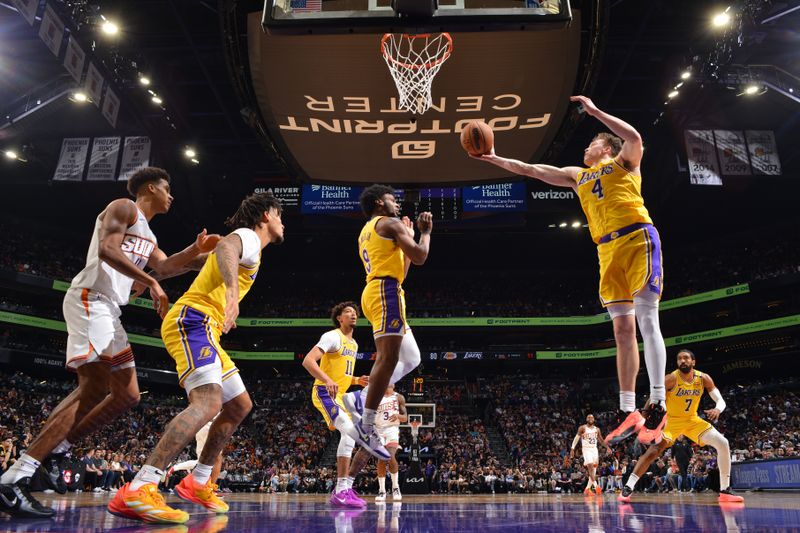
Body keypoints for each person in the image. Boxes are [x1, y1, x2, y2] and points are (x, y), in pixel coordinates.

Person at [0, 167, 220, 518]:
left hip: (109, 312)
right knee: (93, 387)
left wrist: (202, 254)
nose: (172, 196)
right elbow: (107, 249)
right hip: (90, 299)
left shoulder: (147, 233)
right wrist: (151, 283)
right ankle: (16, 476)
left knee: (127, 394)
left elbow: (165, 266)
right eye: (168, 189)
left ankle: (60, 448)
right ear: (151, 188)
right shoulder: (124, 207)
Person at [472, 95, 667, 446]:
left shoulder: (625, 161)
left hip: (638, 238)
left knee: (646, 319)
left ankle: (658, 401)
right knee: (622, 330)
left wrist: (595, 111)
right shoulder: (578, 176)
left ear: (606, 147)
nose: (586, 147)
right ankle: (629, 410)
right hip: (606, 250)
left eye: (592, 142)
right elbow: (532, 170)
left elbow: (636, 137)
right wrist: (494, 157)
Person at [107, 192, 284, 524]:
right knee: (207, 403)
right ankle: (140, 487)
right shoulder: (247, 238)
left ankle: (198, 480)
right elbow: (229, 248)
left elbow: (199, 262)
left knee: (239, 405)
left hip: (209, 328)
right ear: (264, 217)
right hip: (194, 320)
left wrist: (151, 279)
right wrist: (232, 292)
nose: (282, 221)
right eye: (279, 214)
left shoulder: (249, 248)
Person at [353, 184, 431, 451]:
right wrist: (424, 233)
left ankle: (366, 397)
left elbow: (406, 266)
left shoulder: (367, 230)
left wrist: (407, 237)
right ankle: (366, 421)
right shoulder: (390, 223)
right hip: (385, 292)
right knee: (388, 358)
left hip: (382, 290)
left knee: (412, 357)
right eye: (392, 199)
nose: (397, 204)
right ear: (378, 202)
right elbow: (420, 256)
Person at [618, 349, 744, 503]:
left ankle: (725, 491)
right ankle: (629, 487)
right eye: (679, 359)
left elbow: (720, 400)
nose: (682, 361)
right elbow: (653, 397)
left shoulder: (703, 378)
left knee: (723, 443)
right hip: (672, 421)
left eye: (686, 358)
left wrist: (717, 409)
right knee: (654, 451)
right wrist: (643, 418)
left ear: (693, 362)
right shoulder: (671, 378)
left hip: (692, 420)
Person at [301, 301, 378, 509]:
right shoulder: (332, 336)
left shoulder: (353, 344)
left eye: (355, 313)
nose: (353, 315)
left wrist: (355, 380)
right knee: (352, 433)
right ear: (339, 318)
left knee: (352, 436)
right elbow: (308, 361)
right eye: (348, 312)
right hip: (324, 393)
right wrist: (327, 380)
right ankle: (342, 489)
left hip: (341, 396)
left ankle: (343, 489)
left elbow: (341, 374)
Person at [375, 383, 408, 502]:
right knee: (381, 458)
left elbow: (405, 418)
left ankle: (395, 487)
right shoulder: (375, 396)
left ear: (394, 385)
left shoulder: (399, 397)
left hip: (391, 429)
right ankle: (382, 490)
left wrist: (398, 415)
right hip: (378, 429)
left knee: (390, 455)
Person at [569, 414, 611, 495]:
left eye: (592, 417)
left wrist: (607, 447)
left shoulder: (597, 429)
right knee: (590, 467)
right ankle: (596, 486)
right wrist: (572, 448)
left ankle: (587, 489)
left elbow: (601, 440)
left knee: (594, 471)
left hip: (594, 450)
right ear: (586, 419)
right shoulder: (582, 428)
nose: (590, 418)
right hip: (586, 449)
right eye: (589, 417)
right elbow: (576, 438)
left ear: (594, 419)